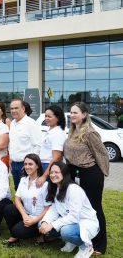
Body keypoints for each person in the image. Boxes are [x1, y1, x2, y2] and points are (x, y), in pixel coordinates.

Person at [63, 102, 109, 255]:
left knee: (94, 209)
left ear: (84, 115)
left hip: (90, 174)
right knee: (77, 207)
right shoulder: (72, 131)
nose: (72, 115)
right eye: (71, 112)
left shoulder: (90, 133)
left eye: (75, 112)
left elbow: (102, 154)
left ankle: (99, 244)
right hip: (74, 173)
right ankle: (81, 238)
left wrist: (102, 174)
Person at [39, 162, 99, 258]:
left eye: (56, 172)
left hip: (84, 222)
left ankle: (86, 247)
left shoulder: (73, 189)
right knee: (42, 224)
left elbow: (74, 217)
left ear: (64, 173)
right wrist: (45, 222)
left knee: (66, 231)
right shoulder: (57, 187)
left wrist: (52, 225)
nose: (53, 175)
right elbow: (54, 209)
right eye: (51, 172)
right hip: (70, 221)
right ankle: (72, 241)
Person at [3, 154, 51, 246]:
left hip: (38, 218)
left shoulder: (44, 185)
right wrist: (24, 215)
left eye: (30, 164)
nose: (27, 167)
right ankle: (15, 236)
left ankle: (39, 234)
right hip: (26, 214)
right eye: (25, 164)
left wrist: (34, 221)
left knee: (18, 231)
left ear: (37, 166)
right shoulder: (23, 180)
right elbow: (17, 198)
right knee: (8, 208)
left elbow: (48, 208)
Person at [9, 98, 42, 190]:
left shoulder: (31, 124)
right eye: (11, 108)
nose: (13, 111)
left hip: (25, 165)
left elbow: (38, 145)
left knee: (28, 190)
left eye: (16, 108)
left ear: (23, 109)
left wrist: (30, 164)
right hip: (14, 164)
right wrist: (11, 158)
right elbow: (12, 142)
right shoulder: (12, 123)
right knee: (17, 189)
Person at [37, 105, 66, 187]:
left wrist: (44, 176)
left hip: (49, 166)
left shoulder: (57, 133)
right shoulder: (50, 130)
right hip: (43, 165)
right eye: (45, 116)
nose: (46, 118)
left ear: (58, 118)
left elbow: (56, 157)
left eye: (49, 116)